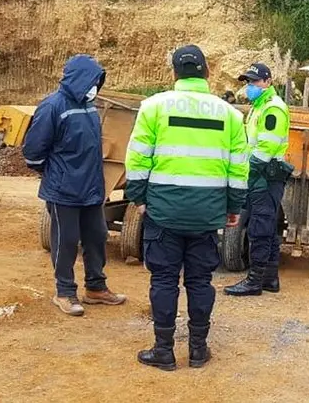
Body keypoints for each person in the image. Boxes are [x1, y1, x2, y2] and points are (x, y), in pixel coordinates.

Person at [125, 45, 248, 371]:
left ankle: (163, 350)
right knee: (200, 281)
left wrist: (139, 198)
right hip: (207, 214)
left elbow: (137, 158)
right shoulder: (230, 115)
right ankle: (197, 350)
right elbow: (239, 167)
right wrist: (234, 206)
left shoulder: (153, 107)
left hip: (163, 212)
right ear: (207, 72)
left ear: (174, 73)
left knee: (164, 280)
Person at [23, 55, 127, 317]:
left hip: (91, 188)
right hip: (64, 191)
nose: (94, 87)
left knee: (97, 236)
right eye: (92, 81)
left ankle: (96, 288)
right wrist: (56, 173)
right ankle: (64, 292)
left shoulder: (89, 107)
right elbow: (33, 152)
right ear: (79, 79)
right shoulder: (52, 107)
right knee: (66, 241)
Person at [224, 63, 293, 297]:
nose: (250, 85)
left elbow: (265, 149)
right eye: (248, 81)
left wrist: (247, 173)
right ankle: (269, 279)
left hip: (265, 176)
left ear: (268, 82)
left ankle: (254, 281)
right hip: (262, 176)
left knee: (259, 230)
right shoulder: (260, 106)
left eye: (254, 81)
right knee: (267, 228)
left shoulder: (273, 108)